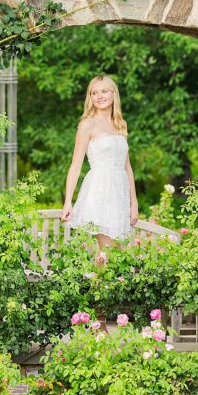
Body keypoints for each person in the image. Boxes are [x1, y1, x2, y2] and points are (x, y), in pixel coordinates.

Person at [61, 74, 139, 265]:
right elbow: (75, 165)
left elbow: (127, 166)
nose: (99, 96)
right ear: (90, 97)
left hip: (119, 197)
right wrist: (68, 201)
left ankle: (100, 289)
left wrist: (134, 202)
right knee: (111, 253)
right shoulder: (87, 124)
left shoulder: (120, 124)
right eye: (94, 92)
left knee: (114, 256)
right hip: (98, 193)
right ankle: (100, 291)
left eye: (104, 91)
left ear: (114, 94)